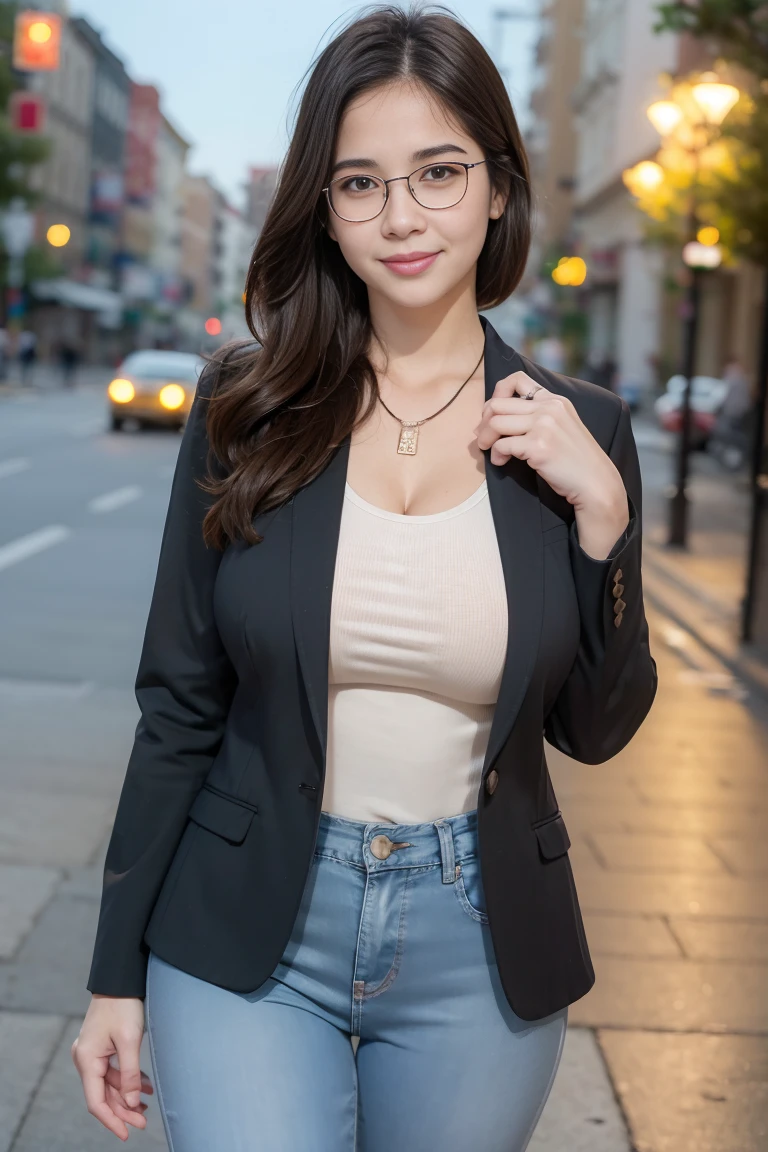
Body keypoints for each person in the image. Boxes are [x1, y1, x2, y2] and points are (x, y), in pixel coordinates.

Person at [72, 7, 657, 1150]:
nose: (402, 217)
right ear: (324, 211)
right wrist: (113, 977)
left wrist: (607, 523)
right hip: (249, 922)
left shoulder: (577, 432)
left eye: (438, 173)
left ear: (498, 187)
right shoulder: (246, 409)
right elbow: (179, 706)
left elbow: (595, 728)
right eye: (359, 184)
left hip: (478, 937)